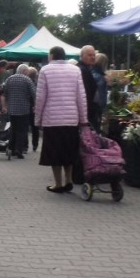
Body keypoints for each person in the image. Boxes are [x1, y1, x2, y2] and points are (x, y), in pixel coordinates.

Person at [34, 46, 87, 193]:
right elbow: (81, 97)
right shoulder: (75, 70)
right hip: (71, 119)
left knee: (54, 153)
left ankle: (58, 183)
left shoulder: (45, 70)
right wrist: (83, 119)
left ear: (51, 56)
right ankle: (68, 180)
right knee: (69, 151)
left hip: (52, 119)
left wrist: (37, 119)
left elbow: (40, 98)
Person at [1, 64, 36, 159]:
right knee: (22, 130)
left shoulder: (9, 79)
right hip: (24, 110)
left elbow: (4, 94)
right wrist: (35, 106)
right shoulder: (27, 80)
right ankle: (19, 149)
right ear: (25, 71)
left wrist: (4, 106)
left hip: (11, 109)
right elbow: (34, 94)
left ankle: (11, 148)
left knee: (12, 129)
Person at [77, 45, 99, 131]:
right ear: (82, 56)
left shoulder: (86, 69)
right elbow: (85, 94)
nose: (93, 57)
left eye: (94, 55)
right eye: (89, 55)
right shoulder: (82, 70)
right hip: (86, 113)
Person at [92, 52, 109, 134]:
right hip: (96, 108)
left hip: (89, 107)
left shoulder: (89, 73)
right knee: (96, 131)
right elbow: (101, 97)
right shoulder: (101, 78)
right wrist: (104, 110)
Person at [27, 66, 40, 152]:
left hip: (26, 106)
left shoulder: (27, 82)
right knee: (35, 128)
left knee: (25, 127)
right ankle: (35, 144)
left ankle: (25, 145)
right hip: (35, 107)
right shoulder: (38, 83)